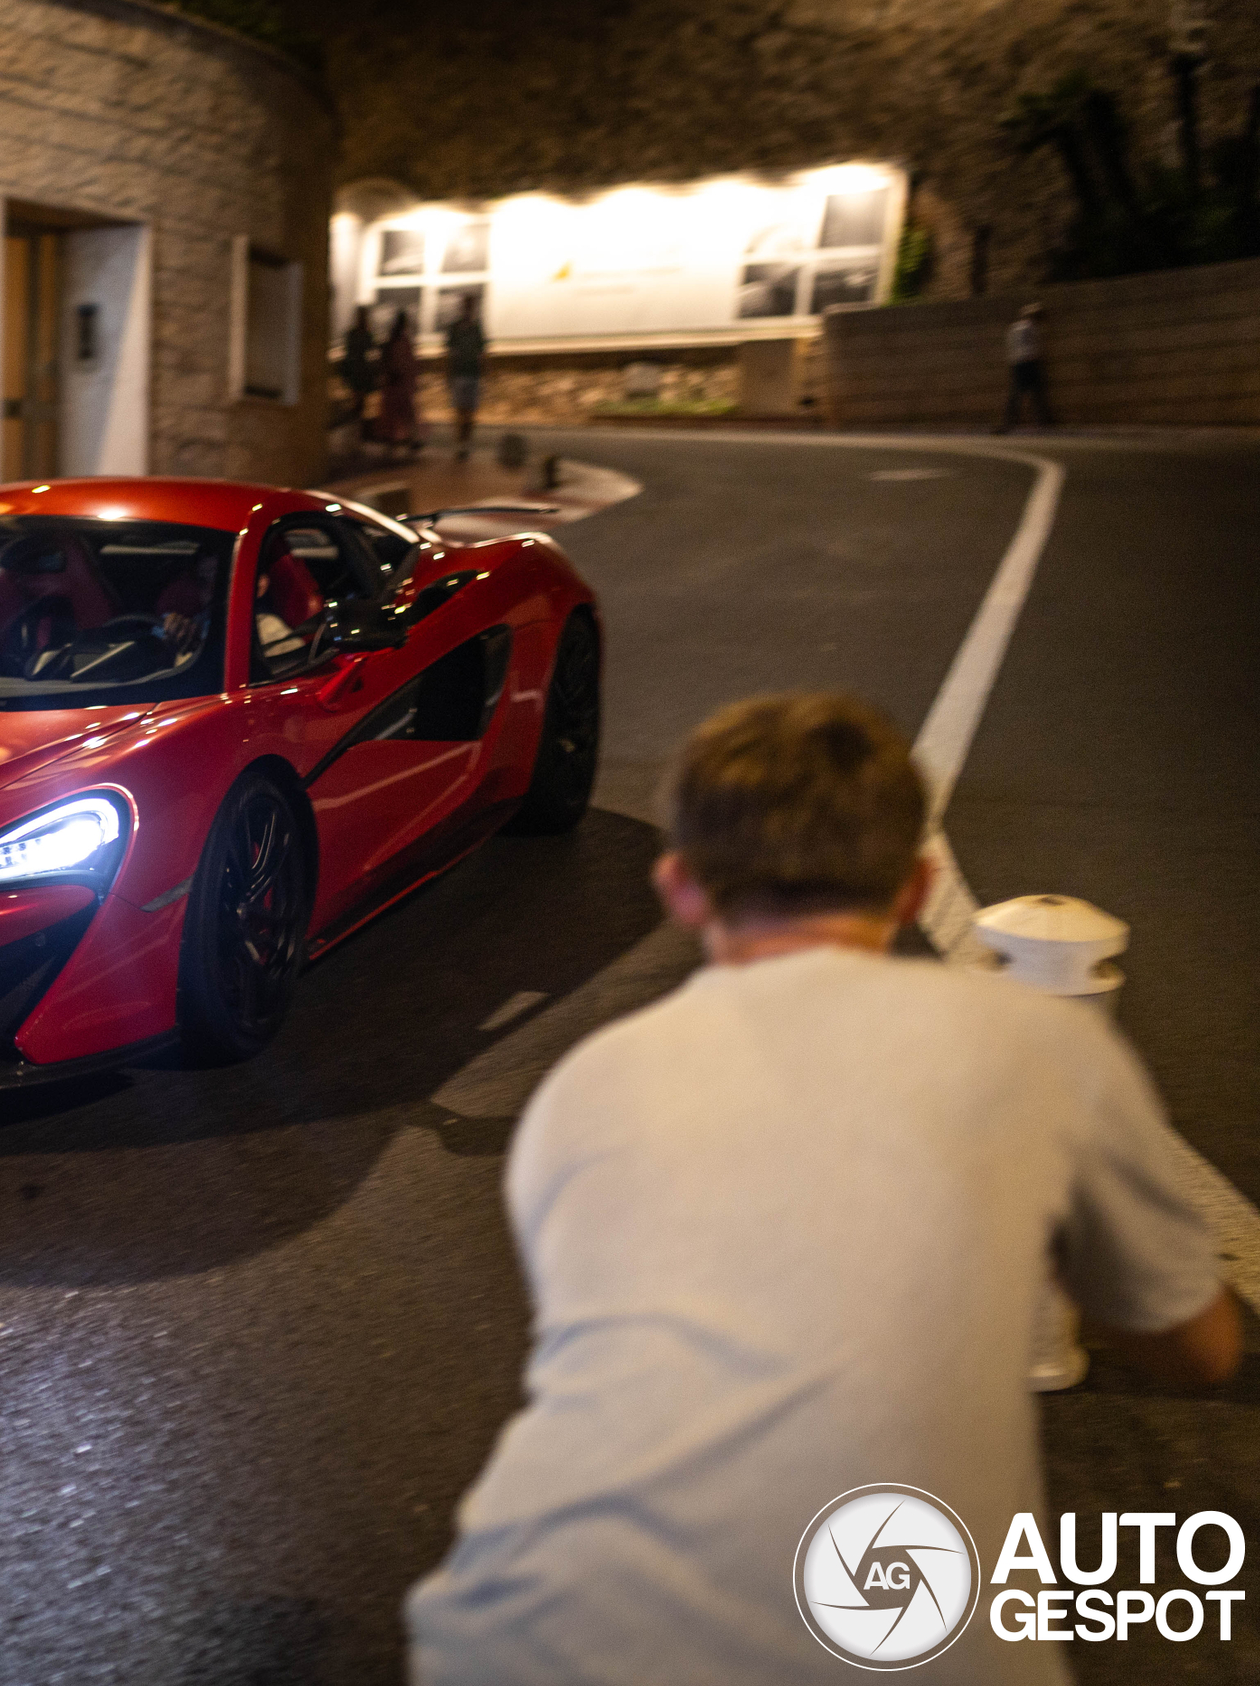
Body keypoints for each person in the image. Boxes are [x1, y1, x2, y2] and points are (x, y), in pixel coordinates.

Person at [407, 692, 1236, 1685]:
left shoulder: (582, 1087)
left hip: (518, 1636)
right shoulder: (1041, 1047)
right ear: (913, 887)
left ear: (677, 889)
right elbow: (1199, 1349)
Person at [372, 307, 423, 454]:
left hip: (394, 382)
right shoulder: (403, 342)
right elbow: (408, 363)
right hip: (400, 383)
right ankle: (409, 440)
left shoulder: (393, 340)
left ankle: (394, 444)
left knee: (394, 414)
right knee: (405, 412)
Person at [996, 302, 1051, 432]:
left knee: (1016, 394)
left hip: (1017, 363)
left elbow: (1010, 347)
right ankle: (1042, 420)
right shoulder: (1032, 327)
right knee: (1037, 392)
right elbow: (1035, 346)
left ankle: (1009, 421)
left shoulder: (1013, 328)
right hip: (1030, 362)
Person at [444, 294, 486, 457]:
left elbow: (481, 352)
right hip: (460, 372)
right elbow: (450, 353)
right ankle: (460, 443)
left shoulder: (476, 327)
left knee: (469, 412)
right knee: (460, 411)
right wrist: (448, 373)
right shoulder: (456, 328)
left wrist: (484, 372)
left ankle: (465, 443)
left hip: (472, 373)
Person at [339, 304, 380, 425]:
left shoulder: (353, 334)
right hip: (360, 369)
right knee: (358, 398)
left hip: (355, 368)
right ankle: (356, 423)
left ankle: (355, 422)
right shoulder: (365, 334)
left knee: (356, 397)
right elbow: (371, 349)